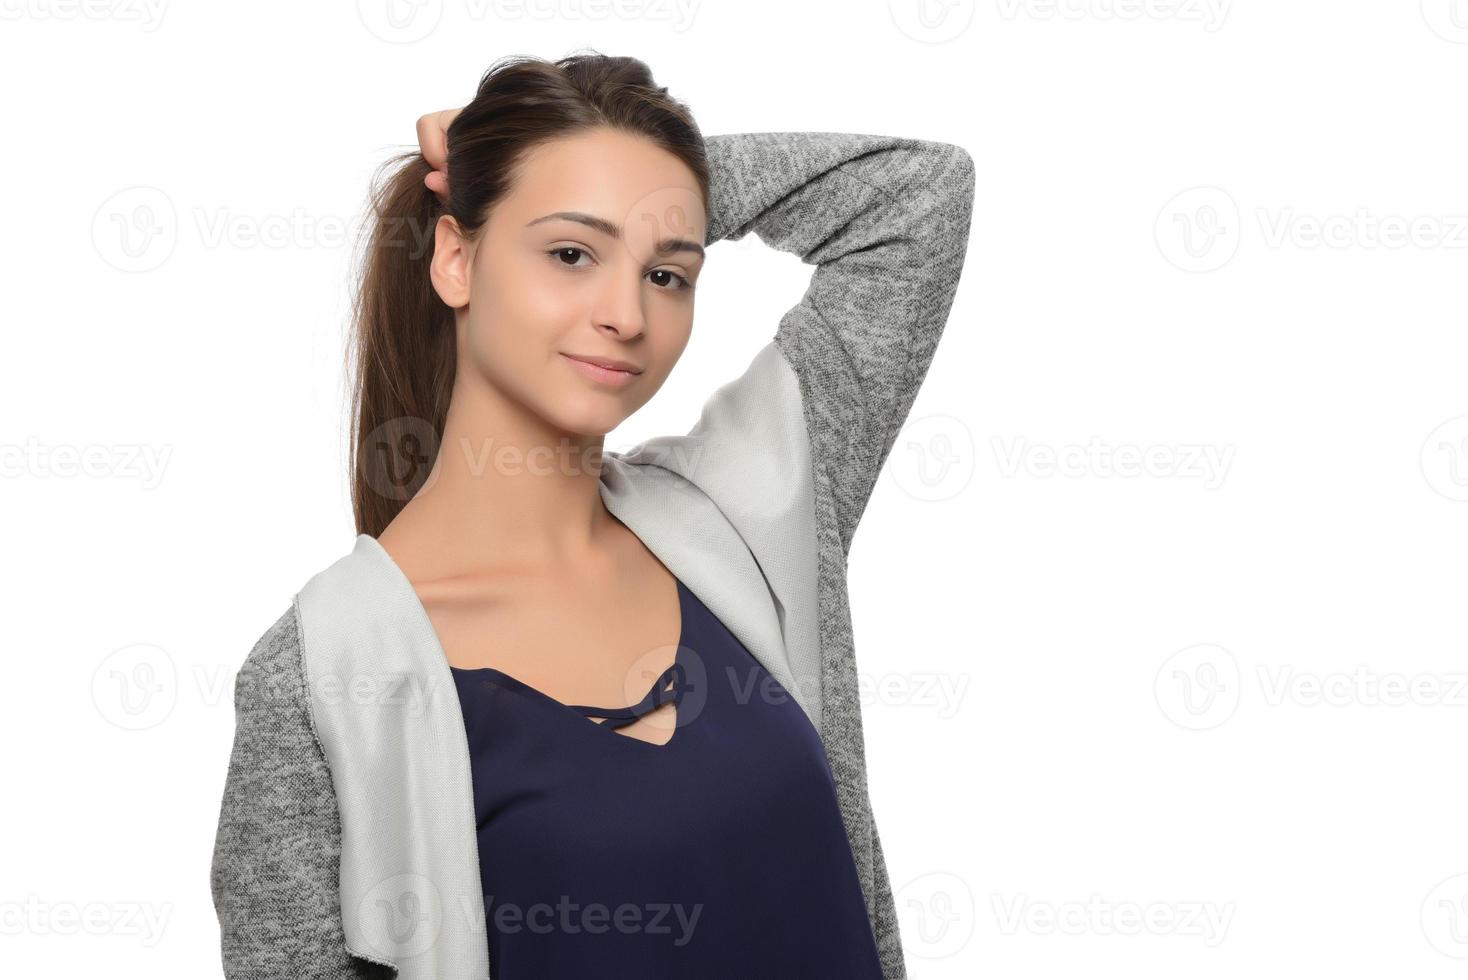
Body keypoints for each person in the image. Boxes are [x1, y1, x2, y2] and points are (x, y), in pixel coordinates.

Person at [210, 50, 975, 980]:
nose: (625, 312)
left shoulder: (744, 518)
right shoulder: (322, 676)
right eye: (571, 253)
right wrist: (540, 176)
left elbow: (919, 198)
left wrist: (661, 181)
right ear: (454, 256)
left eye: (667, 274)